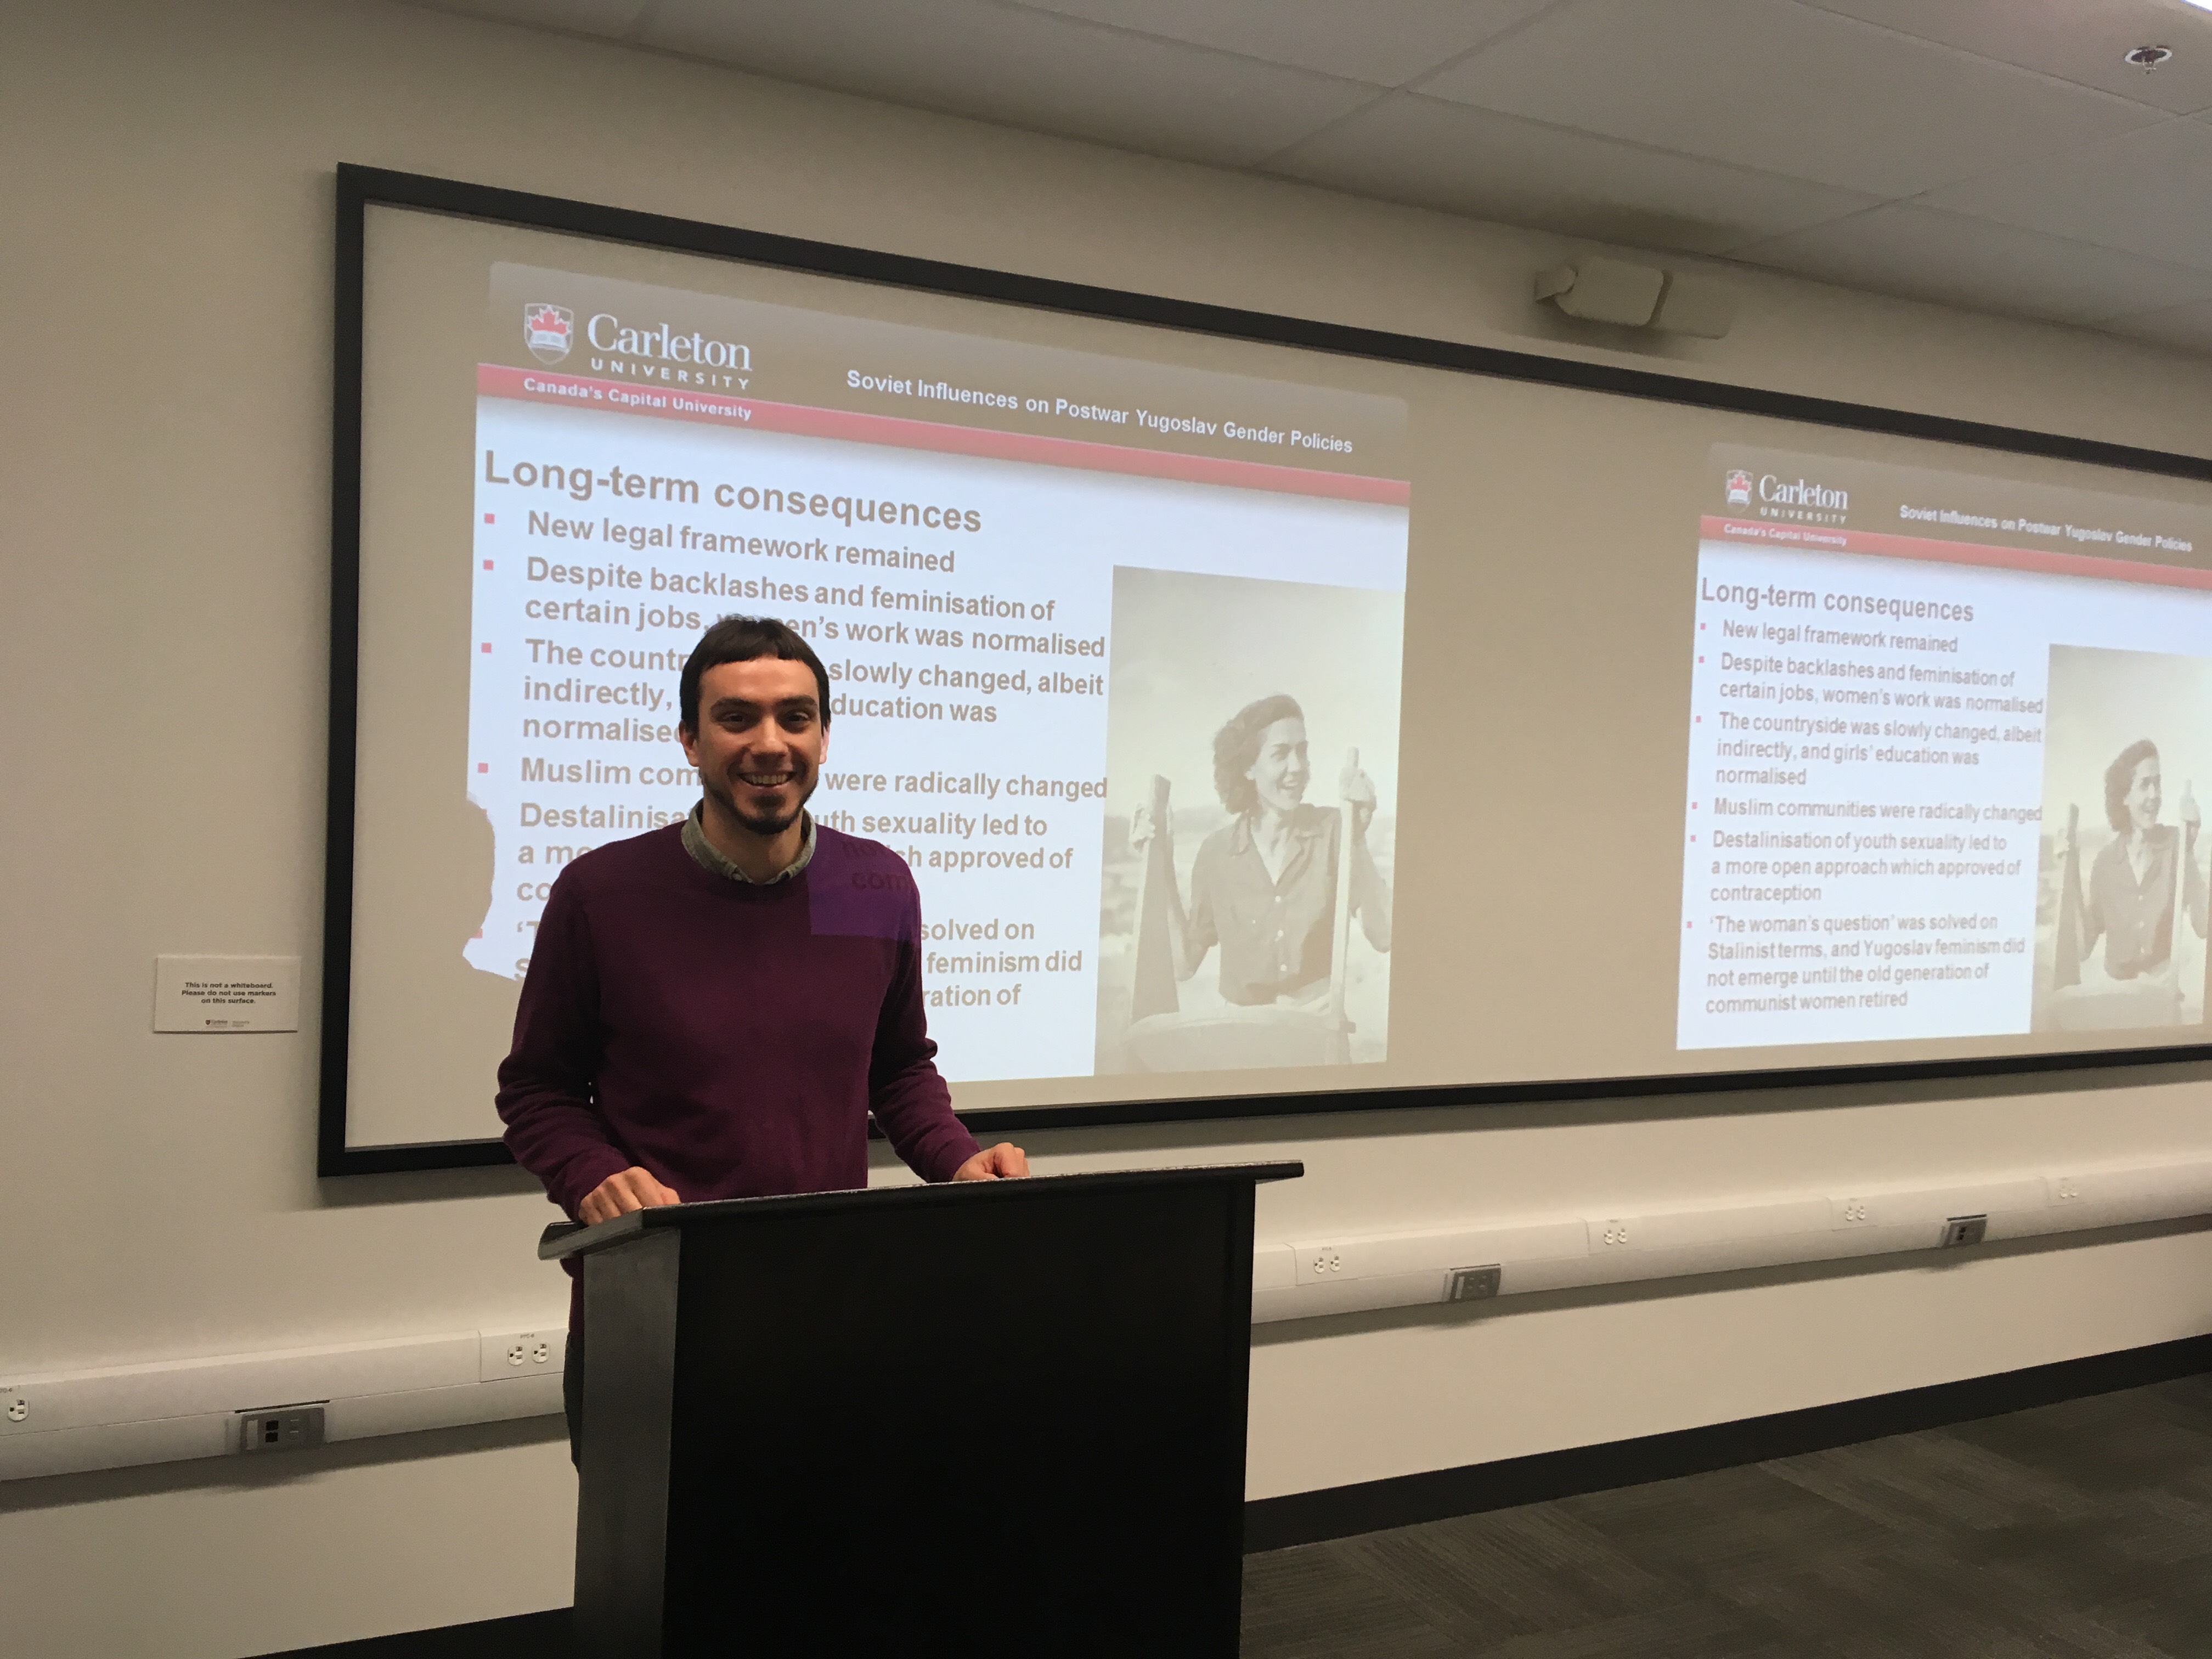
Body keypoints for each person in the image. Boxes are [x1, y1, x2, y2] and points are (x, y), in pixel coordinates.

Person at [496, 615, 1026, 1462]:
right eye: (737, 718)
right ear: (690, 741)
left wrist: (958, 1160)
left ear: (823, 738)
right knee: (655, 1546)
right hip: (653, 1309)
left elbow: (896, 1068)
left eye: (796, 717)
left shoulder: (872, 884)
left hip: (827, 1306)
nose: (770, 744)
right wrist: (590, 1173)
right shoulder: (602, 894)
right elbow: (537, 1091)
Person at [1131, 693, 1391, 1007]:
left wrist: (1356, 835)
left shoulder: (1333, 830)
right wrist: (1159, 858)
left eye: (1302, 752)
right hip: (1243, 1033)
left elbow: (1385, 934)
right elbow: (1183, 965)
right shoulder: (1216, 853)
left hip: (1316, 1029)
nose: (1297, 767)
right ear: (1249, 768)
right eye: (1281, 754)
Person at [2073, 738, 2207, 982]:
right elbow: (2082, 948)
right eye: (2145, 785)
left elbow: (2204, 924)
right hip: (2117, 994)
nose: (2155, 795)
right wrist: (2070, 868)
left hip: (2162, 992)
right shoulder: (2105, 864)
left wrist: (2191, 848)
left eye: (2158, 784)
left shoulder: (2175, 846)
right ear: (2125, 796)